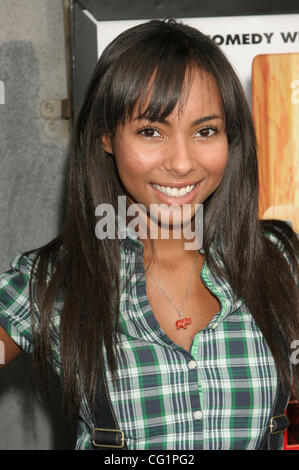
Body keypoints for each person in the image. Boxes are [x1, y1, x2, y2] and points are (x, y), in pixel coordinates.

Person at [0, 18, 298, 451]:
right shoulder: (51, 280)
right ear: (106, 136)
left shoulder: (280, 261)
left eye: (205, 131)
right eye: (151, 131)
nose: (181, 162)